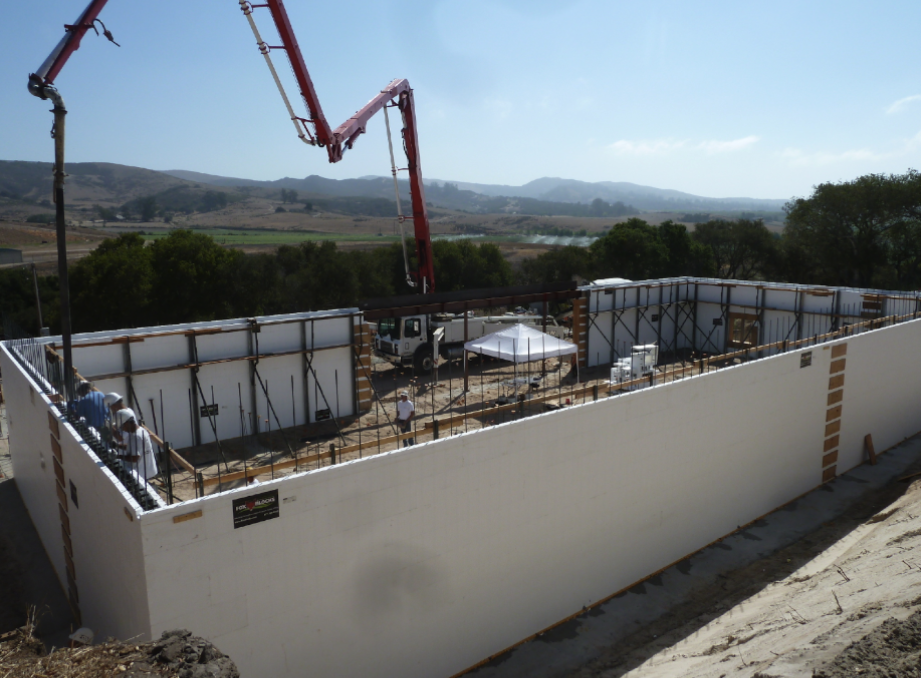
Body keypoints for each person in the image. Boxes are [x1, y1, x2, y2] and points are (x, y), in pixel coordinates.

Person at [115, 408, 159, 482]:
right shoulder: (141, 430)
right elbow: (134, 447)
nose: (123, 429)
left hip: (141, 473)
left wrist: (117, 456)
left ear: (127, 423)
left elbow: (134, 458)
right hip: (147, 469)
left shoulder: (135, 436)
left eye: (122, 427)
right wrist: (117, 446)